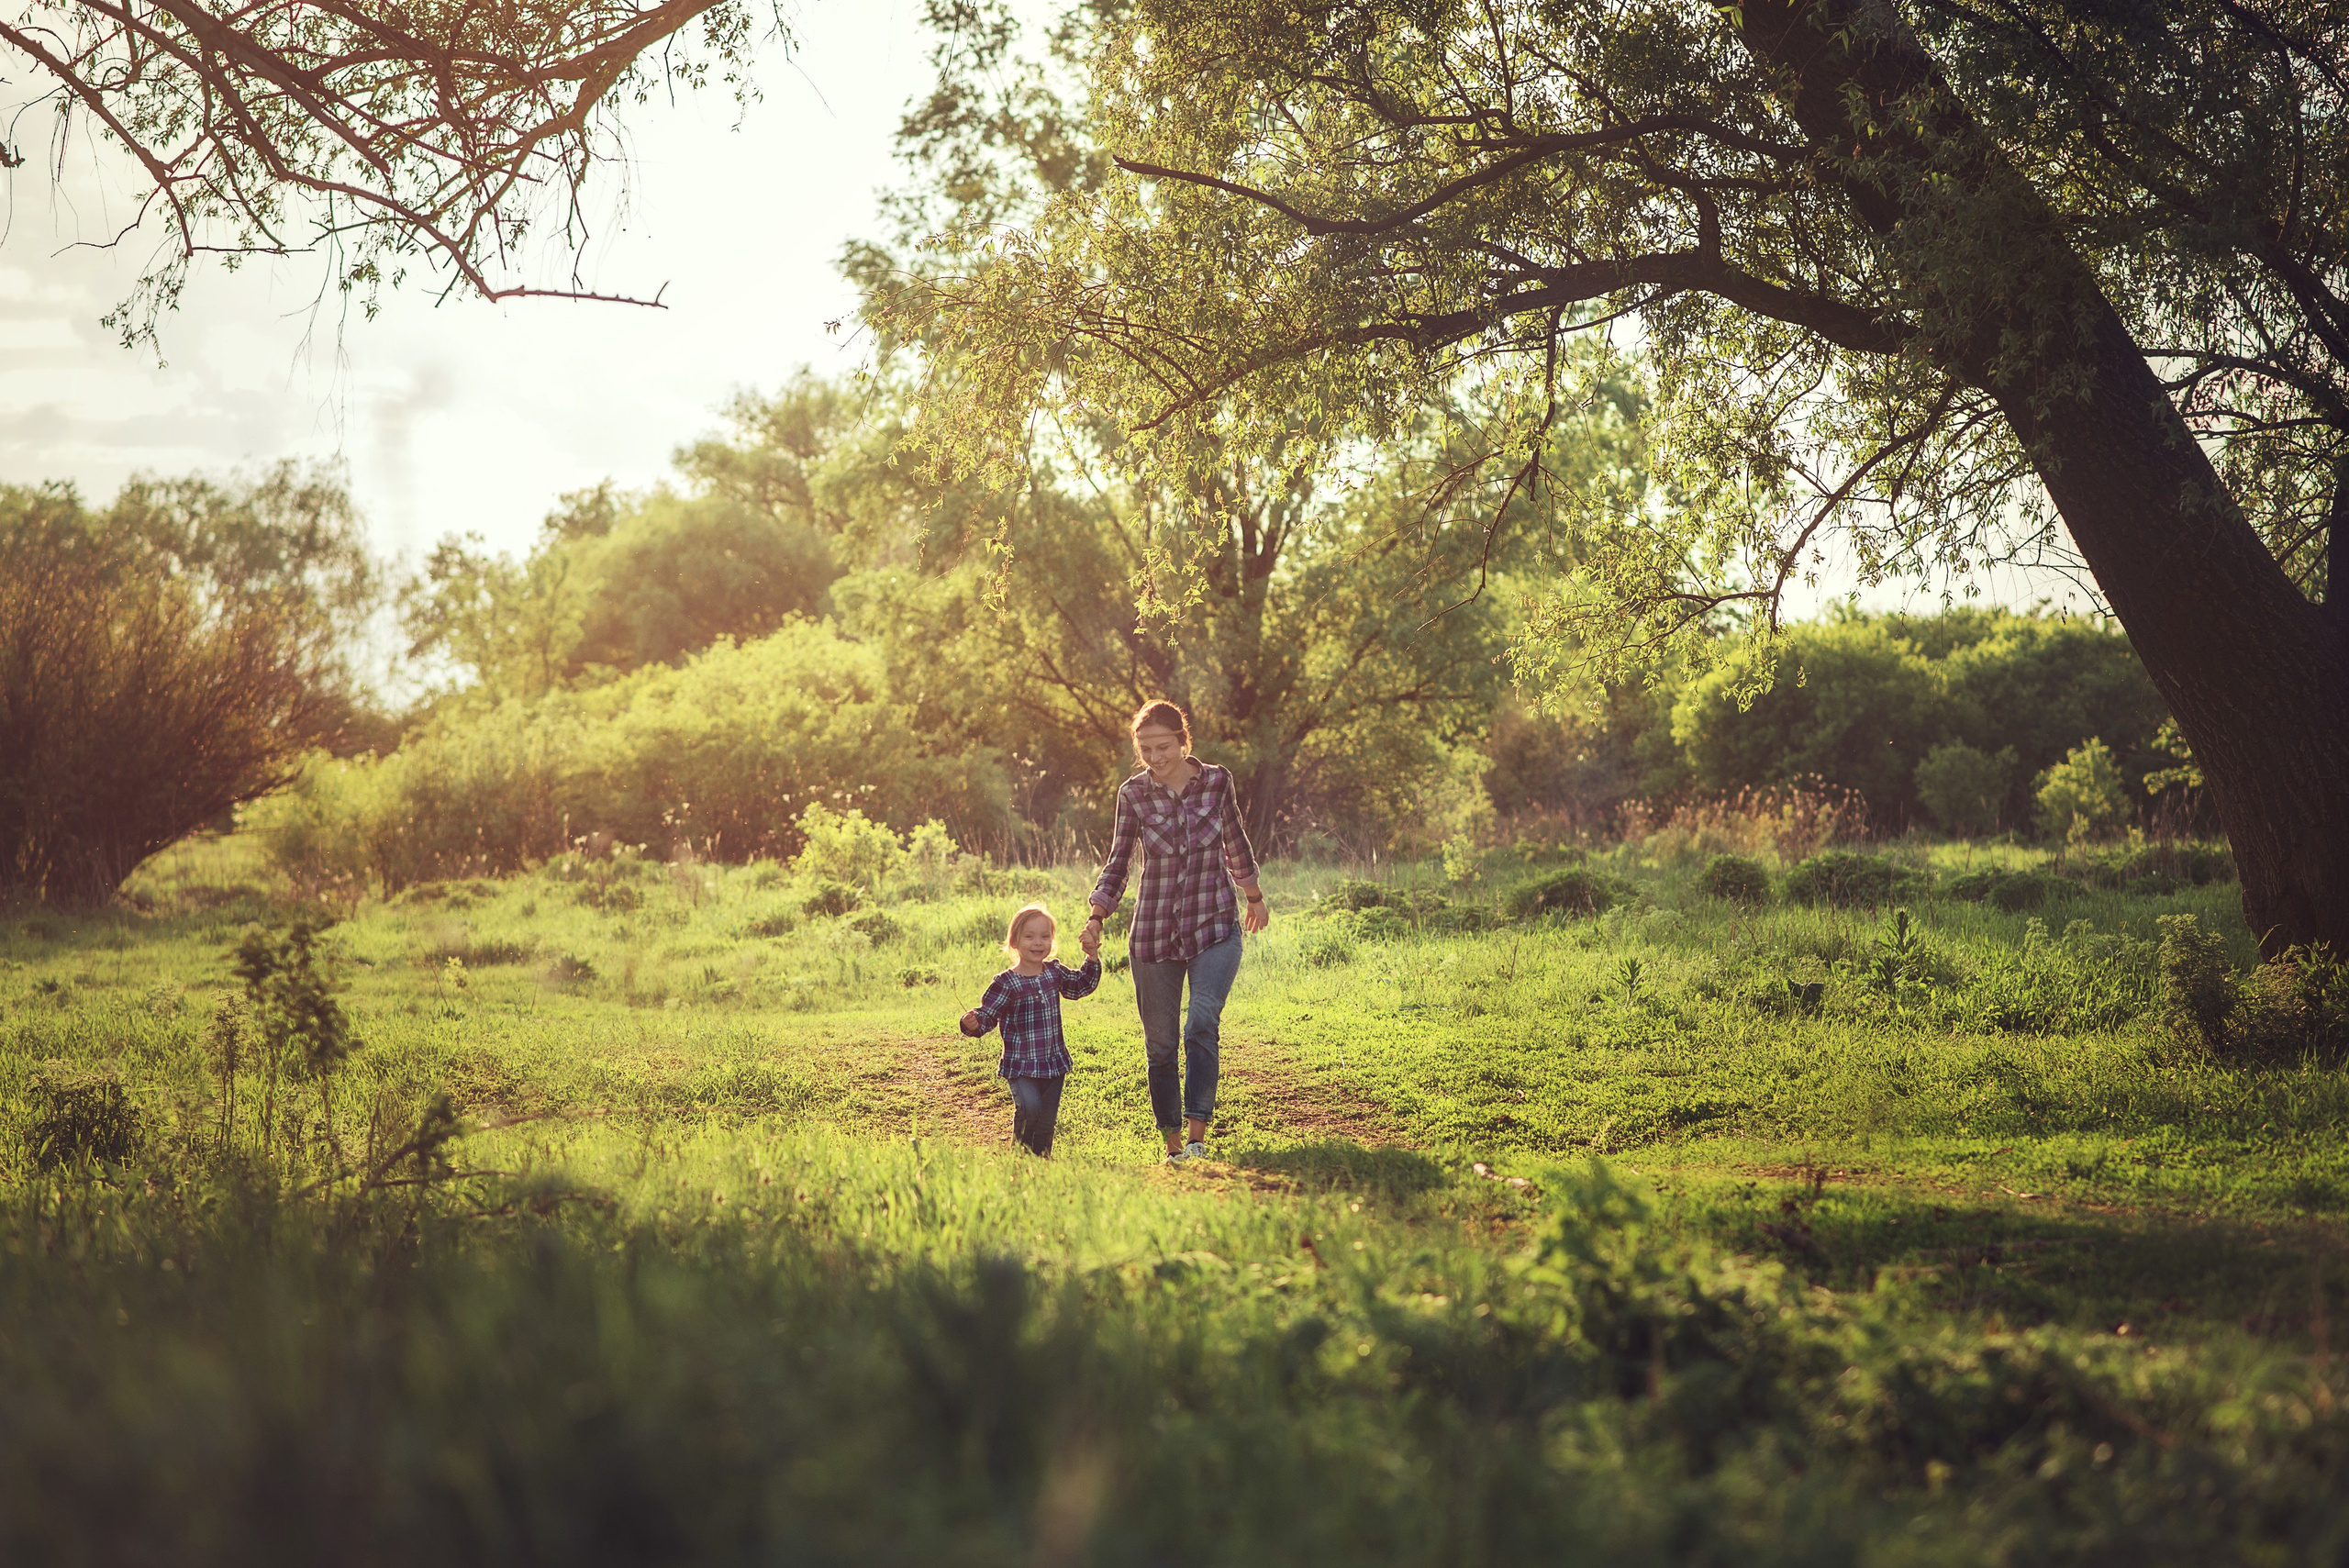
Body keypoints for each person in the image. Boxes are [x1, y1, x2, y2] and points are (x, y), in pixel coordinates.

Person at [1082, 699, 1268, 1163]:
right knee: (1161, 1044)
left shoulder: (1217, 781)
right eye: (1145, 749)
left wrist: (1254, 896)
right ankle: (1171, 1146)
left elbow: (1235, 840)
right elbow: (1119, 861)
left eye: (1163, 746)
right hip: (1154, 935)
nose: (1155, 757)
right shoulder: (1133, 795)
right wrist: (1097, 915)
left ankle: (1198, 1137)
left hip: (1215, 924)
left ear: (1184, 742)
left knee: (1201, 1022)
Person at [959, 903, 1101, 1157]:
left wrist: (1091, 956)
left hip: (1052, 1062)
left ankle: (1042, 1160)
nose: (1038, 943)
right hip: (1021, 1064)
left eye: (1045, 936)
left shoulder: (1054, 973)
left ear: (1052, 941)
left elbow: (1080, 985)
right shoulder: (1006, 982)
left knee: (1047, 1120)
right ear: (1014, 942)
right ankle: (1021, 1156)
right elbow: (988, 1014)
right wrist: (973, 1022)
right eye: (1029, 936)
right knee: (1030, 1108)